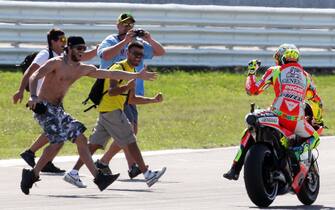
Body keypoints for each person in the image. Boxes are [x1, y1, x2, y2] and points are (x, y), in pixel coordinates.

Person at [20, 36, 157, 195]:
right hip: (43, 107)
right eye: (79, 48)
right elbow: (34, 76)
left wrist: (136, 76)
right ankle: (33, 173)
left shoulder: (81, 68)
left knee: (81, 138)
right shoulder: (56, 62)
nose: (82, 52)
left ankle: (98, 178)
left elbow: (108, 73)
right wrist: (33, 96)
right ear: (69, 48)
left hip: (57, 109)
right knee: (58, 141)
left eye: (84, 49)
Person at [66, 12, 166, 180]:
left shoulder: (135, 50)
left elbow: (160, 52)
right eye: (125, 24)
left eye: (131, 25)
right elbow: (104, 56)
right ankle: (143, 172)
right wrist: (126, 42)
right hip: (113, 101)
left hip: (122, 99)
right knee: (129, 136)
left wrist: (148, 38)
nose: (128, 28)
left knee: (97, 143)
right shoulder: (114, 52)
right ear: (118, 25)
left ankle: (78, 170)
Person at [223, 44, 323, 192]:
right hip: (295, 120)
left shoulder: (275, 71)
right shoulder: (306, 77)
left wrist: (251, 72)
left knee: (250, 128)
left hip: (276, 114)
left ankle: (234, 168)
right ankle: (298, 158)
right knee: (315, 137)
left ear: (280, 58)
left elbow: (252, 90)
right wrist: (318, 120)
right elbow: (316, 101)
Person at [13, 28, 98, 174]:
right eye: (61, 40)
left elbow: (83, 57)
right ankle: (37, 162)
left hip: (54, 101)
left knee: (55, 130)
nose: (63, 43)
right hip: (41, 100)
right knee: (56, 133)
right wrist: (22, 90)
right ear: (52, 41)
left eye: (65, 40)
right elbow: (31, 71)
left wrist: (97, 50)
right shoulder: (46, 54)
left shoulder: (64, 57)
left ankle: (33, 154)